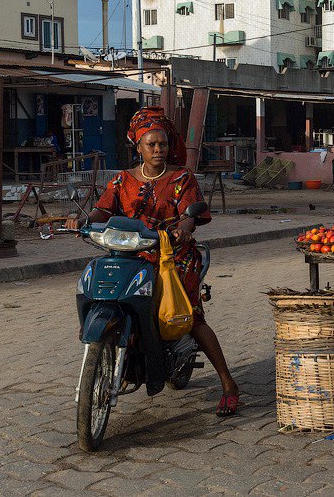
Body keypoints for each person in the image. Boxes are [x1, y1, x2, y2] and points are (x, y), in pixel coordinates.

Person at [66, 107, 241, 416]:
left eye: (162, 144)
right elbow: (103, 210)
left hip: (174, 255)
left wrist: (184, 230)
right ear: (139, 147)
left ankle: (228, 384)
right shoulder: (122, 180)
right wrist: (82, 219)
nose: (158, 149)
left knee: (192, 317)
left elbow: (192, 214)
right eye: (151, 145)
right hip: (130, 253)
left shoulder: (181, 177)